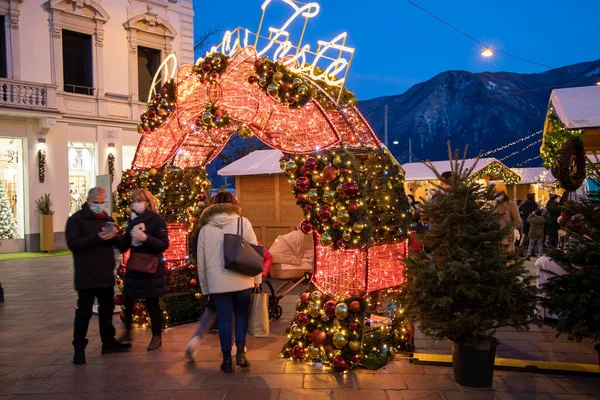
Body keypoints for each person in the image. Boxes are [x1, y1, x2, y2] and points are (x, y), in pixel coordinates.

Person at [196, 191, 261, 373]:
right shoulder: (243, 222)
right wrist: (257, 280)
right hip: (242, 279)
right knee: (241, 315)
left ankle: (226, 360)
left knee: (224, 318)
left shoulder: (205, 229)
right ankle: (241, 352)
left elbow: (201, 262)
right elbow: (254, 253)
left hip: (217, 283)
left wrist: (206, 289)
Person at [66, 187, 132, 365]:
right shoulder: (76, 220)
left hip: (105, 274)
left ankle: (108, 341)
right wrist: (98, 237)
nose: (99, 205)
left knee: (107, 310)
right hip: (86, 275)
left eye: (102, 202)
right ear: (88, 201)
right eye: (96, 202)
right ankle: (79, 348)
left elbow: (122, 245)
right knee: (84, 313)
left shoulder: (107, 219)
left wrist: (117, 236)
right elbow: (73, 244)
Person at [119, 188, 169, 351]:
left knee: (151, 301)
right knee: (128, 297)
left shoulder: (157, 220)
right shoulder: (133, 220)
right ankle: (127, 330)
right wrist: (117, 241)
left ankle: (156, 335)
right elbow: (126, 242)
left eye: (139, 201)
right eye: (134, 201)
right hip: (135, 265)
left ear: (148, 203)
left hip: (151, 266)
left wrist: (145, 238)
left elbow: (163, 244)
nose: (136, 204)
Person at [492, 183, 521, 253]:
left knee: (508, 259)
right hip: (496, 237)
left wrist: (509, 229)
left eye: (499, 193)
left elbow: (517, 221)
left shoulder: (511, 205)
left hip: (507, 238)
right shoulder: (495, 205)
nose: (497, 195)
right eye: (496, 193)